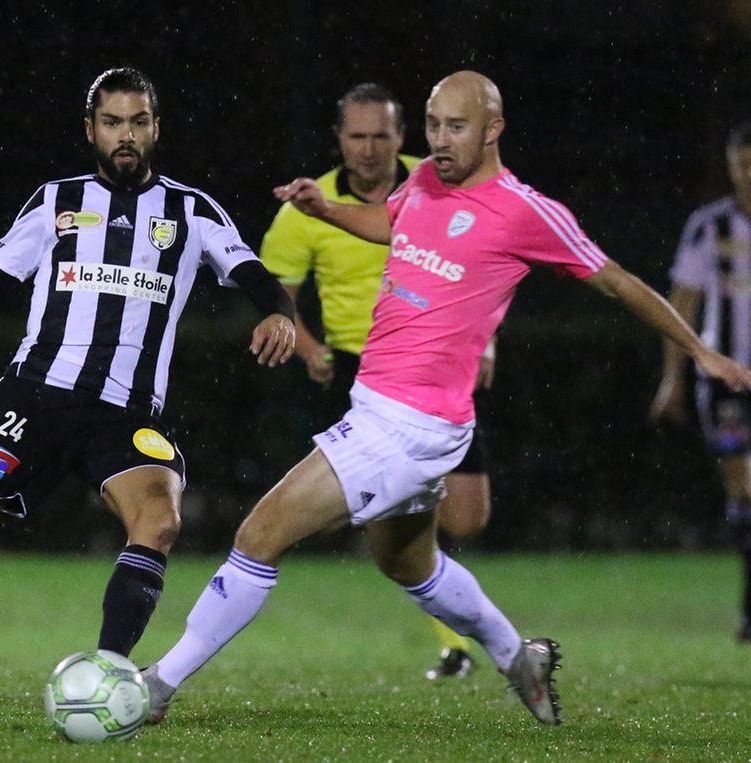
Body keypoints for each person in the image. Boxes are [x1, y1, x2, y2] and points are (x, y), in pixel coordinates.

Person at [138, 70, 751, 728]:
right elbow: (392, 223)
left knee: (258, 534)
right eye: (432, 126)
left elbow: (619, 282)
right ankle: (520, 658)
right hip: (394, 413)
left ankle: (154, 685)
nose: (439, 141)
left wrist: (700, 352)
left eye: (455, 127)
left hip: (408, 423)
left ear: (493, 130)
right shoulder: (426, 180)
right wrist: (327, 211)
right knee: (407, 559)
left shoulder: (525, 210)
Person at [0, 67, 297, 711]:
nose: (127, 136)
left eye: (139, 122)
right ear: (91, 130)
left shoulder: (191, 212)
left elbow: (254, 274)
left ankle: (111, 682)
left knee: (159, 520)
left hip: (124, 415)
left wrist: (279, 311)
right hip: (33, 399)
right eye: (114, 123)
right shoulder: (55, 201)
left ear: (156, 129)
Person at [259, 82, 490, 679]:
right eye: (356, 136)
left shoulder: (434, 182)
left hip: (440, 367)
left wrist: (485, 340)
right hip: (362, 372)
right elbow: (275, 295)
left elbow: (488, 258)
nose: (368, 149)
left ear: (401, 136)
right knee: (392, 518)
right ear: (339, 139)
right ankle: (457, 644)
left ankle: (447, 594)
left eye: (379, 136)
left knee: (468, 516)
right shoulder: (304, 212)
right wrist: (308, 347)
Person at [650, 122, 751, 643]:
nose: (749, 177)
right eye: (742, 168)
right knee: (744, 486)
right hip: (727, 383)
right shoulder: (708, 227)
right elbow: (681, 307)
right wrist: (673, 380)